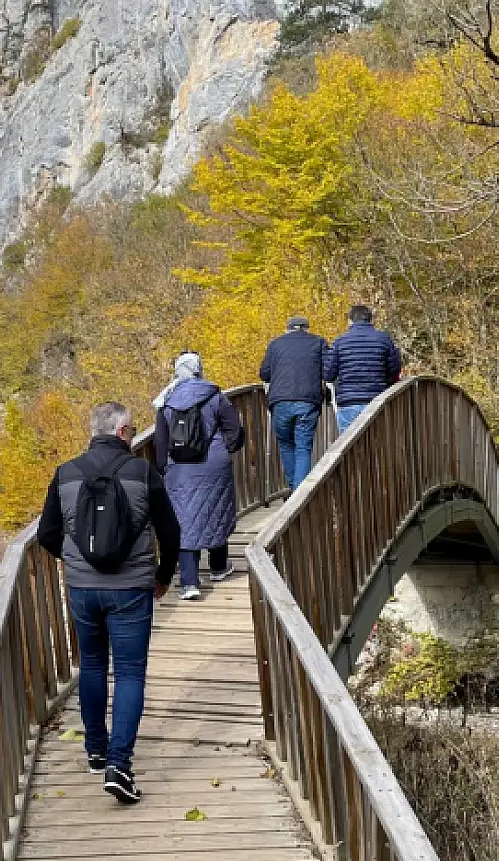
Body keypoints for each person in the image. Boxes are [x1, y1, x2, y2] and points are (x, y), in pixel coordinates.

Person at [36, 402, 180, 805]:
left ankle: (96, 750)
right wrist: (163, 576)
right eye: (132, 431)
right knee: (131, 674)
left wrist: (75, 562)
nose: (134, 436)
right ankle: (120, 764)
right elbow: (171, 533)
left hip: (83, 590)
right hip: (132, 589)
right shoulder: (142, 472)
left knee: (93, 666)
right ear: (121, 432)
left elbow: (47, 533)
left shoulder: (65, 473)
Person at [152, 353, 246, 602]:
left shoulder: (167, 401)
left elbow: (160, 442)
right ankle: (218, 566)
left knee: (183, 521)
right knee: (216, 511)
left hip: (179, 469)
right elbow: (234, 430)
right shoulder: (215, 395)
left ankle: (189, 582)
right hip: (214, 465)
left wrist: (164, 467)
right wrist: (224, 449)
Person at [259, 316, 329, 492]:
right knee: (303, 447)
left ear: (287, 328)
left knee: (285, 443)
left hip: (280, 401)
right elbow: (328, 371)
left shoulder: (275, 344)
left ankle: (293, 488)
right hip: (307, 401)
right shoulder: (318, 342)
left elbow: (264, 373)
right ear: (306, 328)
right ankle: (301, 494)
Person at [324, 305, 403, 432]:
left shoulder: (339, 342)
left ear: (350, 321)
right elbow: (394, 369)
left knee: (348, 447)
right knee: (378, 444)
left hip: (348, 401)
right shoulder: (383, 339)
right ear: (371, 320)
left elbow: (328, 374)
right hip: (377, 401)